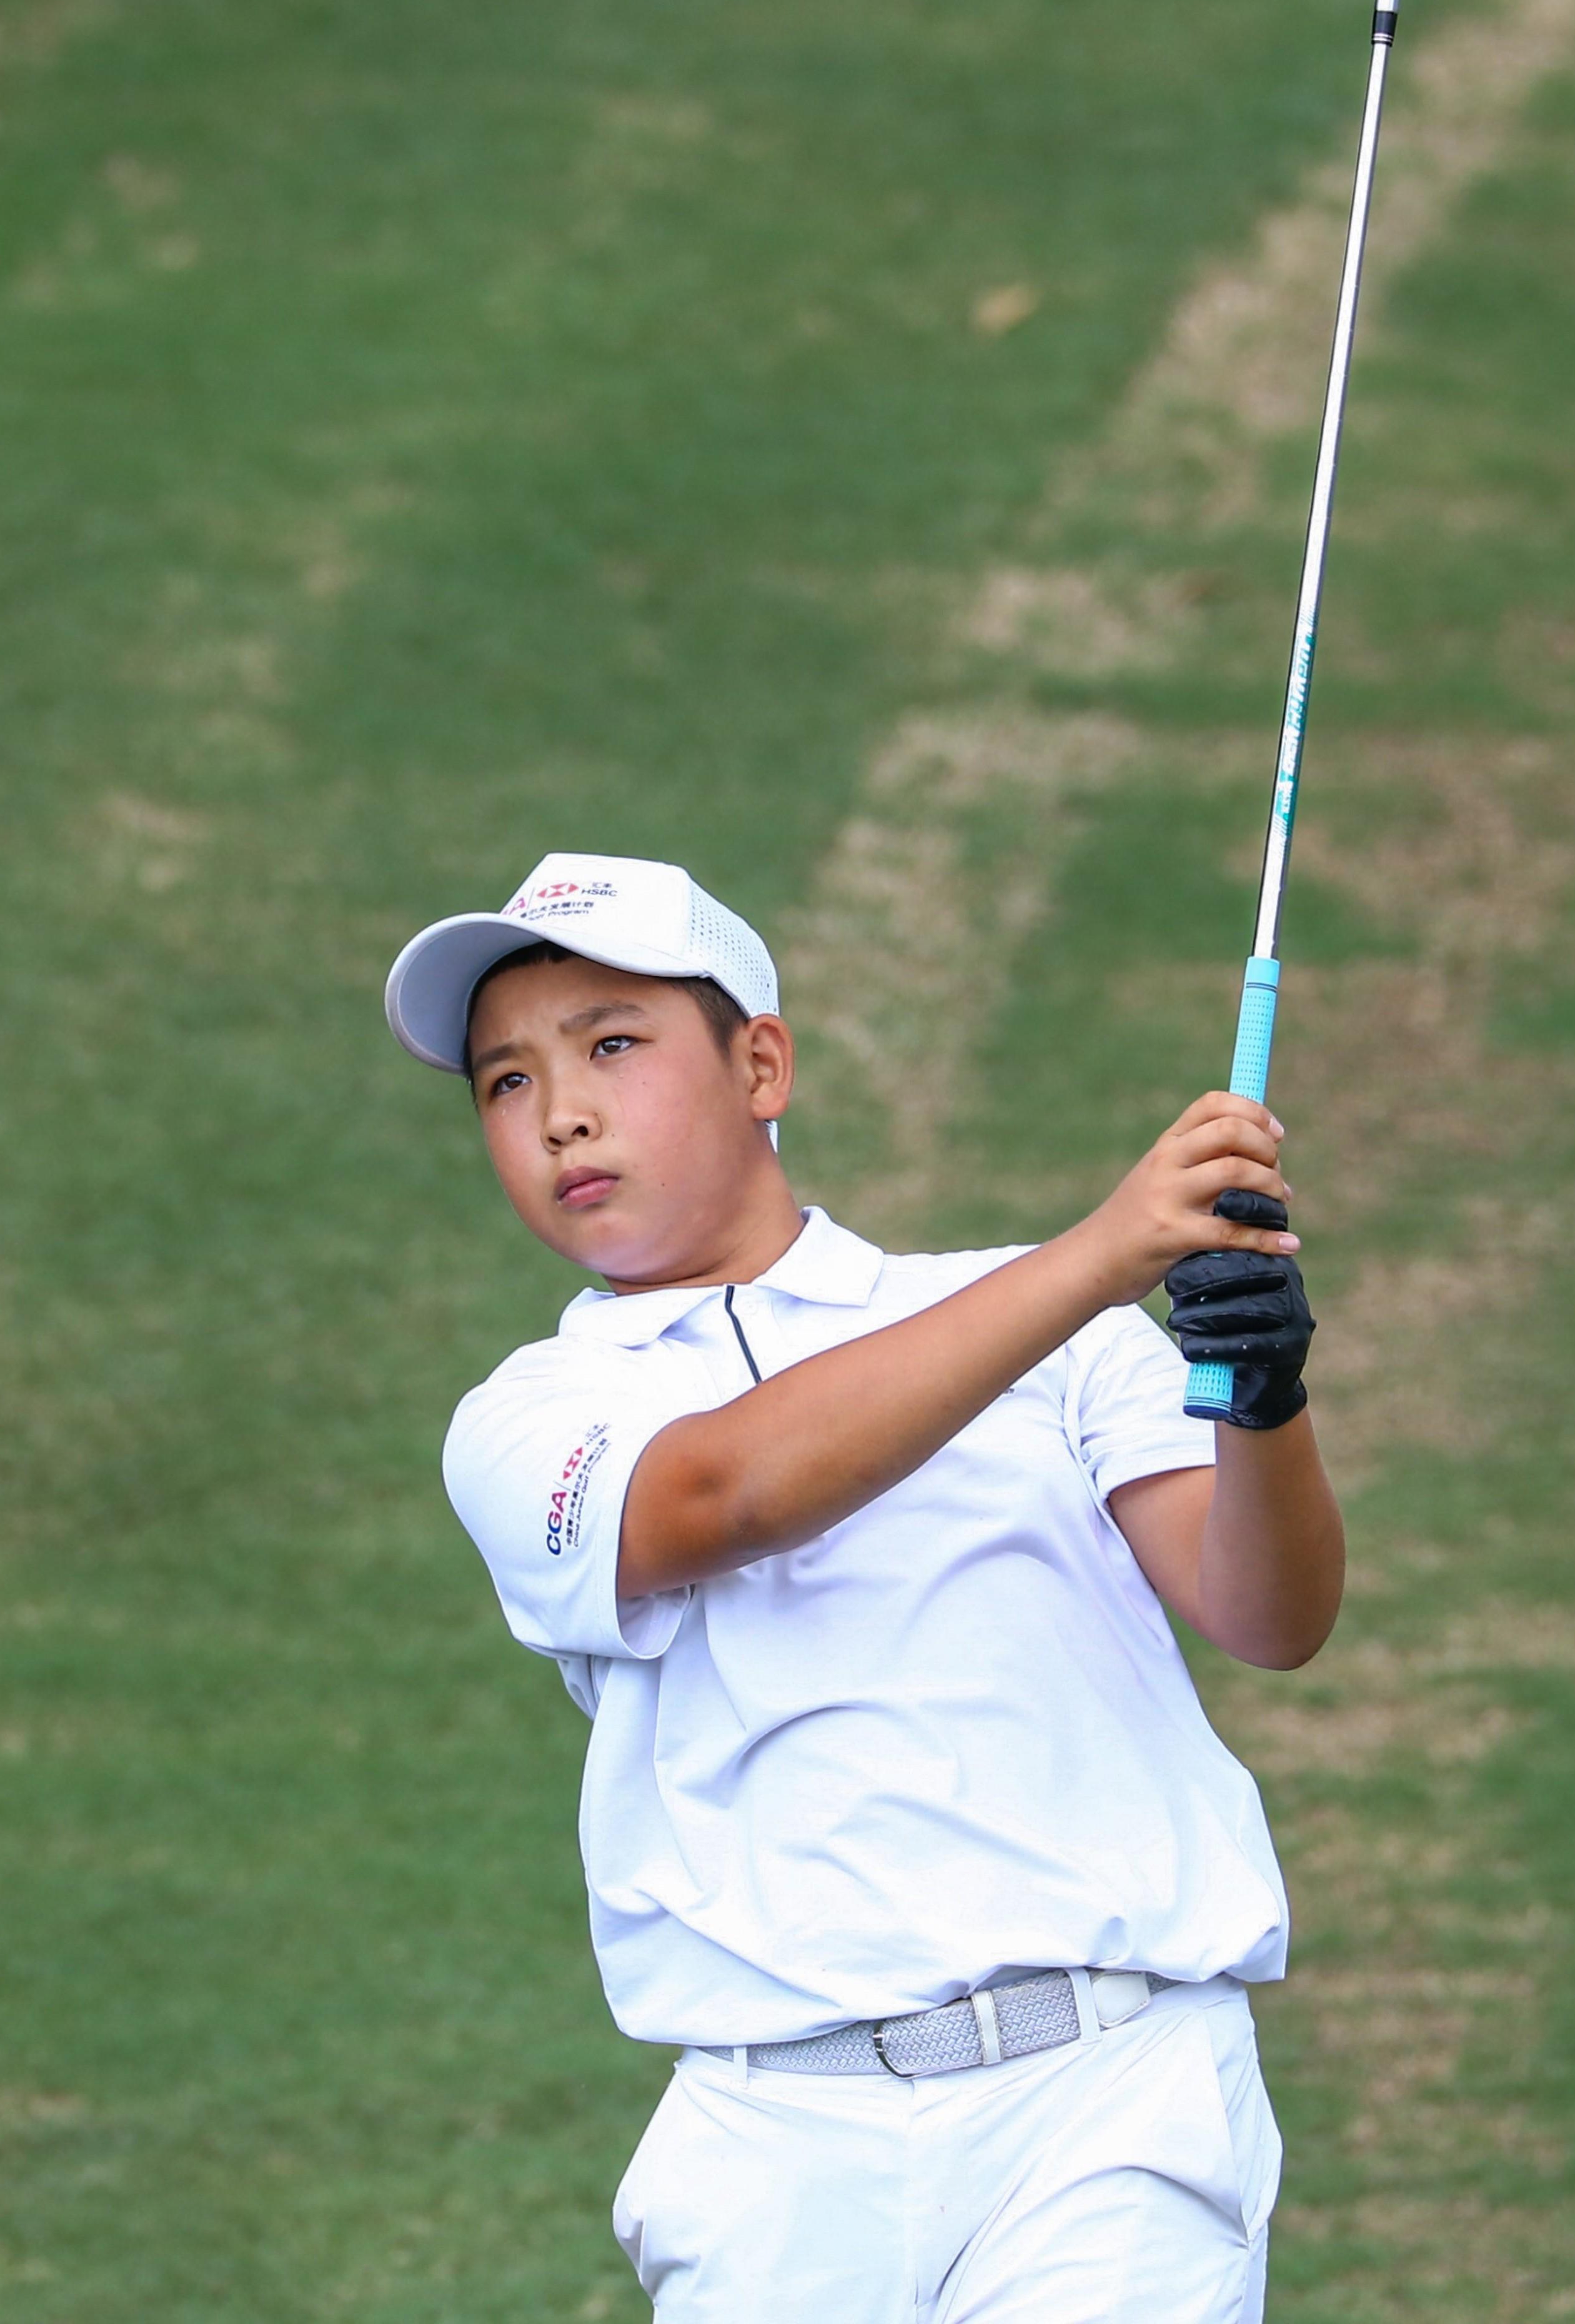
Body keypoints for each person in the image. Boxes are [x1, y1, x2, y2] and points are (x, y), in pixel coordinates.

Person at [384, 851, 1338, 2322]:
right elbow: (726, 1492)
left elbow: (1271, 1616)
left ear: (761, 1061)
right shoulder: (528, 1418)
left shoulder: (1062, 1334)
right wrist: (1096, 1255)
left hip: (1105, 2104)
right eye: (504, 1083)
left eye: (613, 1044)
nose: (560, 1110)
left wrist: (1265, 1397)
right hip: (773, 2151)